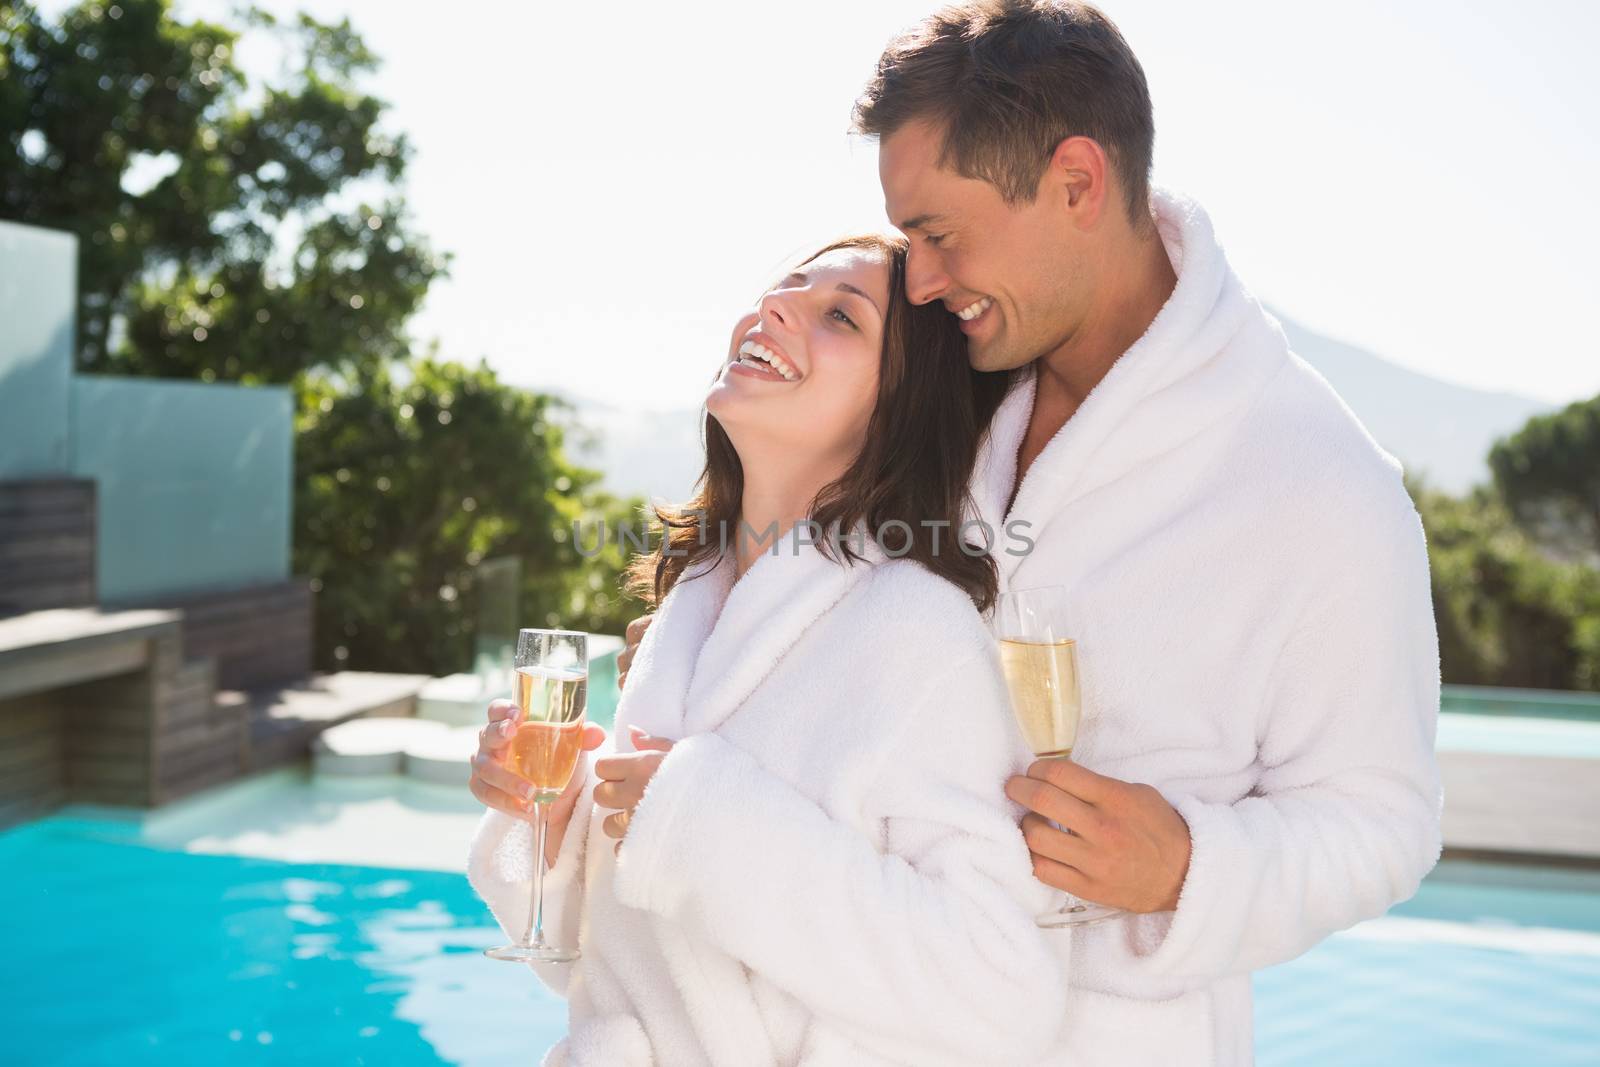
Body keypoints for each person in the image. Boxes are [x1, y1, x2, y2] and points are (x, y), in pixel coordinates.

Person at [617, 3, 1444, 1064]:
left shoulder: (1318, 486)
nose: (918, 279)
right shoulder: (947, 387)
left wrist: (1194, 862)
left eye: (941, 236)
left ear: (1077, 184)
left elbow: (1384, 820)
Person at [468, 234, 1068, 1066]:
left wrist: (702, 824)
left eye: (839, 317)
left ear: (899, 407)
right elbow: (623, 954)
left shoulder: (916, 631)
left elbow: (999, 994)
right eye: (786, 285)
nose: (773, 306)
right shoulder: (693, 606)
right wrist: (553, 808)